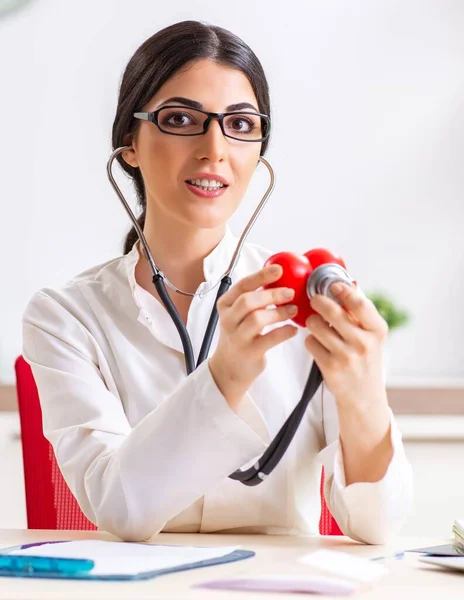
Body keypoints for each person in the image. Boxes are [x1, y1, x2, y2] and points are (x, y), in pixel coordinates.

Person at [22, 20, 412, 543]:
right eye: (181, 118)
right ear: (129, 145)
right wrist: (225, 375)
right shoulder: (65, 317)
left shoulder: (309, 301)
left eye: (241, 124)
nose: (214, 148)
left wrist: (362, 390)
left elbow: (378, 526)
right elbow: (117, 508)